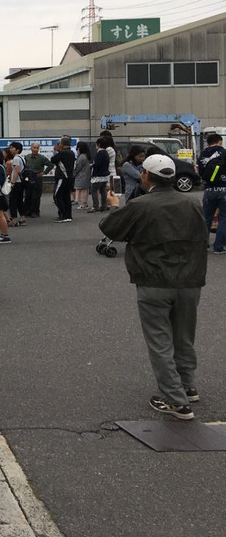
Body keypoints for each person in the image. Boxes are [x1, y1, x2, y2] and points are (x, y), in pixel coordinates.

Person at [99, 154, 209, 420]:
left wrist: (114, 206)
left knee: (159, 340)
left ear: (146, 176)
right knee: (184, 335)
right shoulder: (192, 203)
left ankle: (175, 400)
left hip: (154, 279)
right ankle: (187, 385)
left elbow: (111, 229)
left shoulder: (140, 205)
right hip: (190, 278)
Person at [198, 132, 226, 255]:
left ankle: (202, 245)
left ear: (208, 143)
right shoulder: (224, 153)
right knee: (223, 218)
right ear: (220, 141)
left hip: (209, 189)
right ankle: (219, 247)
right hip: (224, 189)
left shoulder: (202, 155)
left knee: (206, 218)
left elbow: (200, 172)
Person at [50, 137, 76, 222]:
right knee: (66, 197)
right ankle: (68, 215)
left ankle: (63, 215)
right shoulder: (71, 152)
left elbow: (53, 160)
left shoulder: (62, 153)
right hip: (69, 177)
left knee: (57, 196)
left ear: (62, 144)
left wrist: (56, 150)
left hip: (62, 177)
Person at [23, 143, 51, 218]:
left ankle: (35, 211)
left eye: (37, 148)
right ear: (31, 148)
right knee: (28, 194)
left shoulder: (41, 157)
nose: (35, 149)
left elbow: (50, 165)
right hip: (28, 177)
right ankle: (27, 211)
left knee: (36, 195)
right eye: (34, 147)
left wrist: (44, 172)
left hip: (37, 177)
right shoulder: (27, 157)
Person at [7, 142, 28, 226]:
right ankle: (22, 218)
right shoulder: (21, 158)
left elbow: (16, 171)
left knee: (12, 201)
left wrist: (12, 182)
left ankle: (14, 219)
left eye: (12, 148)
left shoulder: (16, 159)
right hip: (21, 182)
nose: (10, 149)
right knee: (19, 201)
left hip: (17, 182)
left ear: (17, 149)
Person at [89, 137, 112, 212]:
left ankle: (95, 206)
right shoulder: (106, 153)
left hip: (98, 175)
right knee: (103, 190)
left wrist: (92, 165)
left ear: (98, 144)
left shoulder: (100, 153)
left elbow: (97, 164)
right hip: (105, 174)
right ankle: (104, 205)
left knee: (94, 190)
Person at [72, 141, 91, 210]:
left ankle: (84, 204)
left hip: (81, 176)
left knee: (81, 190)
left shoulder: (81, 157)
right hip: (86, 175)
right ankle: (84, 204)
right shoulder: (86, 156)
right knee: (85, 190)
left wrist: (73, 174)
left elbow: (77, 167)